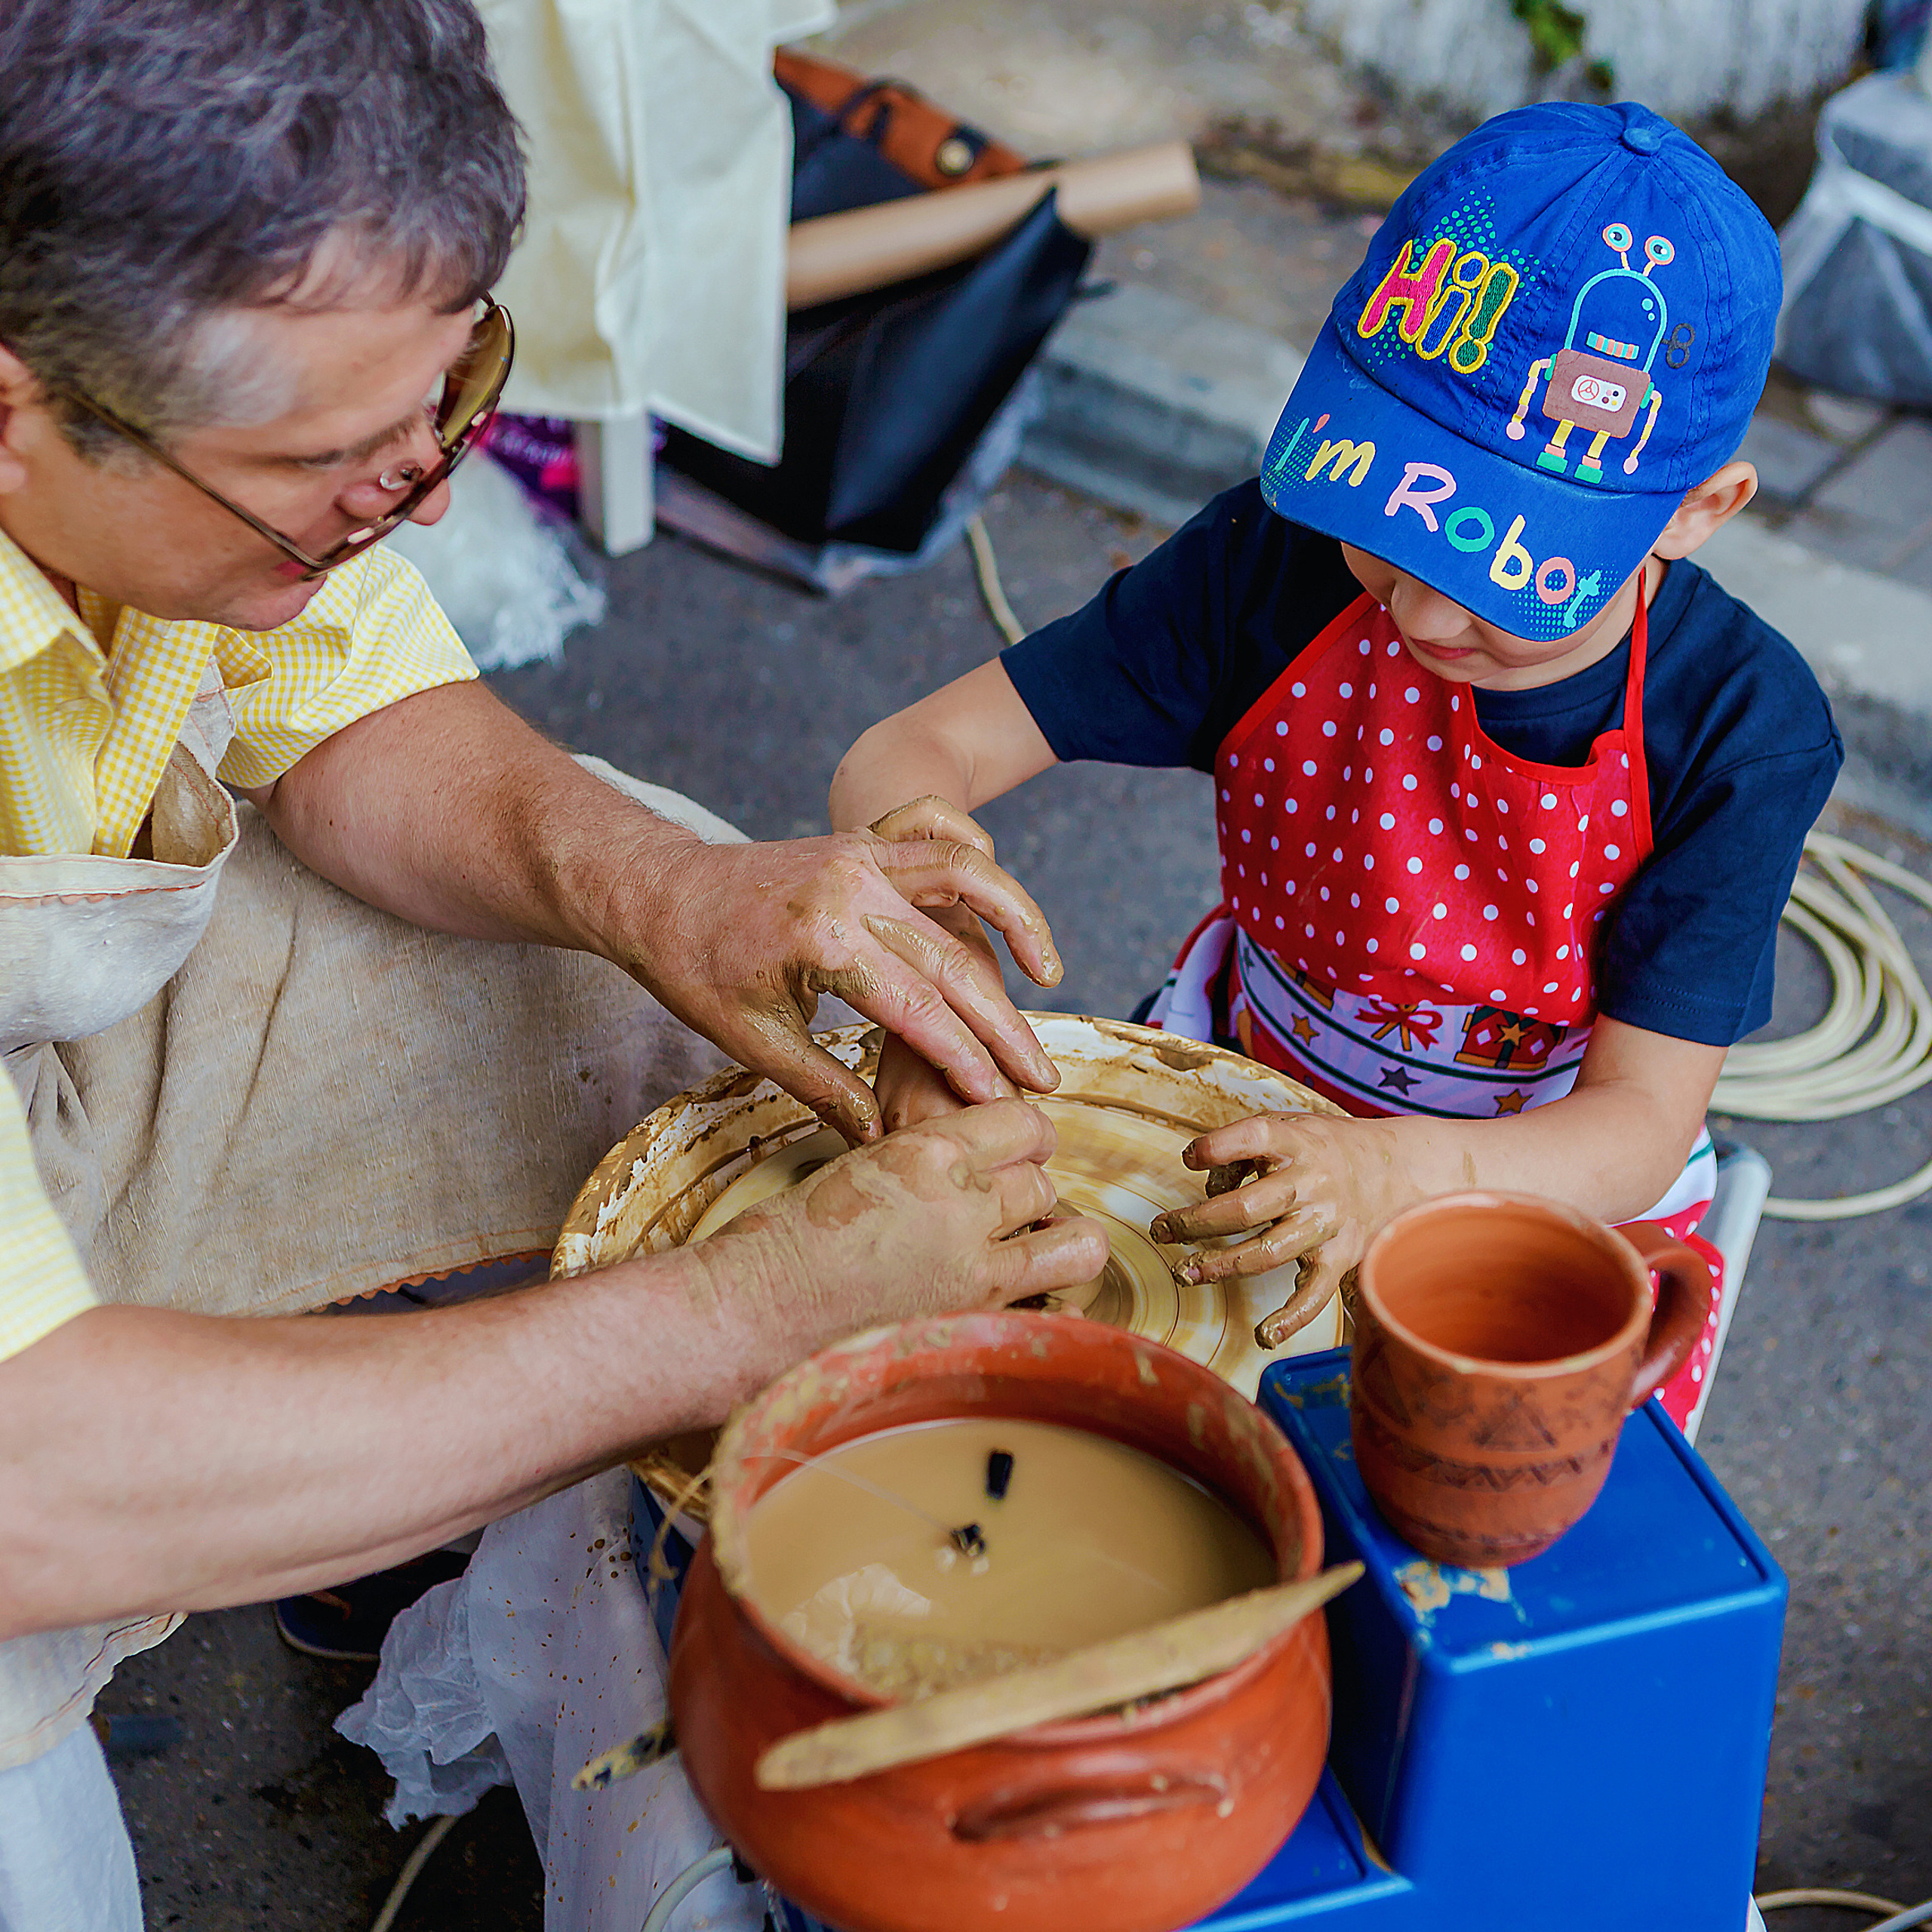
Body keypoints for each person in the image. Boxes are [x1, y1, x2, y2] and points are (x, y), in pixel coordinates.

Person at [0, 5, 1103, 1924]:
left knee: (630, 961)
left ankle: (415, 1516)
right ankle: (363, 1467)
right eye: (326, 463)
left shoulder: (201, 427)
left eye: (452, 398)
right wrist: (742, 1313)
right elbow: (29, 1480)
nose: (418, 491)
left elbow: (339, 695)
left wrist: (677, 889)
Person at [832, 100, 1843, 1426]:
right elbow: (908, 752)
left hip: (1541, 1174)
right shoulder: (1275, 560)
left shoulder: (1741, 726)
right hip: (1243, 1068)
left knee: (1460, 1501)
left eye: (1501, 570)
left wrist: (1395, 1177)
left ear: (1696, 513)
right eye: (1393, 528)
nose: (1419, 616)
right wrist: (936, 980)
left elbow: (1639, 1122)